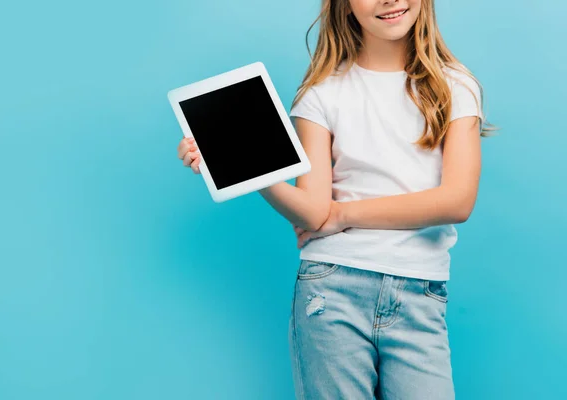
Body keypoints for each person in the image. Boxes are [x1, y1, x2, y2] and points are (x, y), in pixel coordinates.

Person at [177, 0, 494, 398]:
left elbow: (457, 201)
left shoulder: (456, 86)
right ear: (344, 6)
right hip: (331, 291)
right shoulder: (321, 95)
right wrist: (243, 169)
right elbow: (313, 212)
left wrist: (344, 213)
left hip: (420, 294)